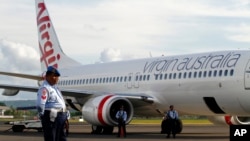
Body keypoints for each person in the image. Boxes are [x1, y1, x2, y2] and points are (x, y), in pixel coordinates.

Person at [36, 66, 68, 141]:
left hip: (60, 117)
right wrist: (43, 117)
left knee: (61, 138)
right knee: (51, 138)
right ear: (49, 76)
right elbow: (40, 104)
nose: (57, 78)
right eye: (55, 76)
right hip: (52, 117)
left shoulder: (55, 88)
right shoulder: (45, 88)